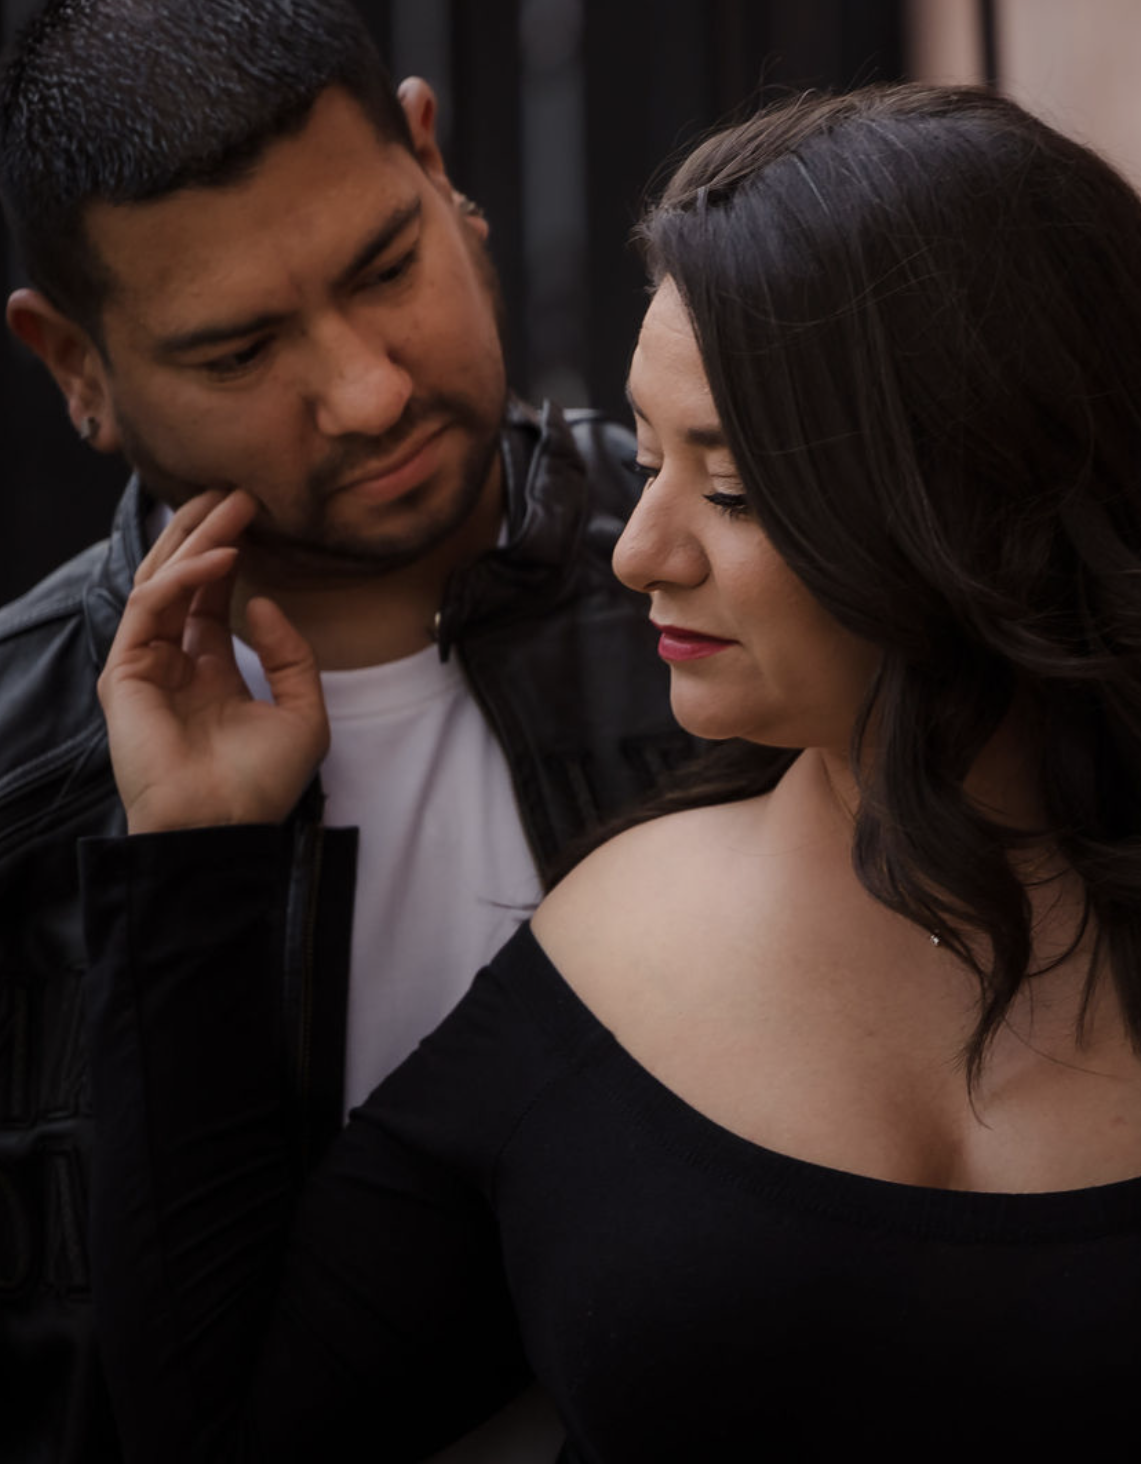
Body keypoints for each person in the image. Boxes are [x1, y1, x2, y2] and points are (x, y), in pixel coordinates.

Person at [81, 84, 1141, 1458]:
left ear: (974, 500)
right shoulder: (612, 953)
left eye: (727, 487)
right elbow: (215, 1433)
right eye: (652, 459)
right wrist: (198, 863)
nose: (636, 548)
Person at [0, 2, 694, 1458]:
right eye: (240, 351)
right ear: (75, 364)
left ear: (439, 167)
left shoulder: (740, 597)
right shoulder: (21, 771)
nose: (370, 390)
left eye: (388, 267)